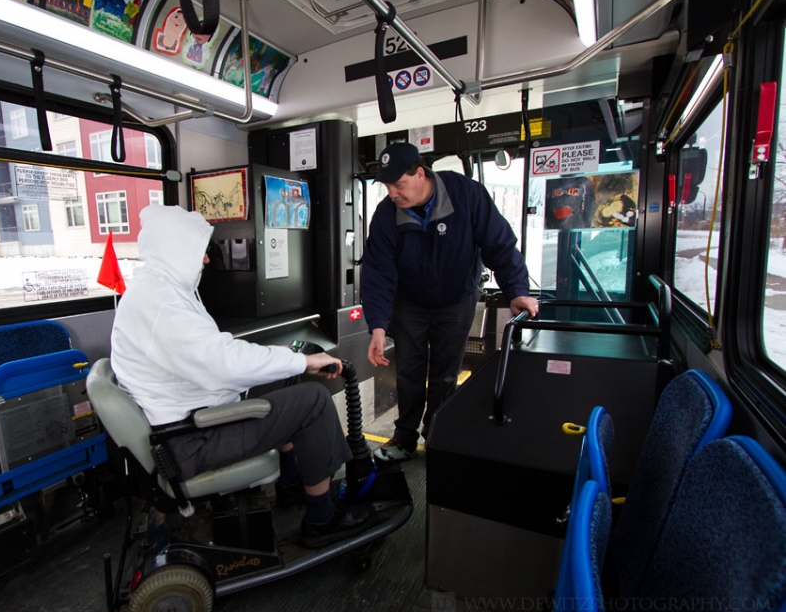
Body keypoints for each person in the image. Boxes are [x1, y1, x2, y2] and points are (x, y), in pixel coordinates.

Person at [110, 204, 372, 548]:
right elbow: (223, 364)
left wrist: (289, 362)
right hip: (191, 440)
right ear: (177, 249)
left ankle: (293, 484)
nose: (206, 260)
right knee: (315, 402)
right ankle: (322, 520)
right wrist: (301, 361)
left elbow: (210, 353)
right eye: (200, 251)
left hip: (185, 422)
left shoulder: (160, 290)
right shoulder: (162, 305)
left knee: (283, 380)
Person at [361, 142, 539, 462]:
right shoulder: (388, 213)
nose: (392, 193)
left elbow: (498, 244)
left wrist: (516, 290)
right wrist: (376, 324)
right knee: (409, 373)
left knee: (445, 374)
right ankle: (404, 435)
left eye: (398, 184)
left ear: (419, 173)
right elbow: (378, 270)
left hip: (456, 300)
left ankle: (437, 432)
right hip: (410, 304)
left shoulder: (467, 195)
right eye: (387, 186)